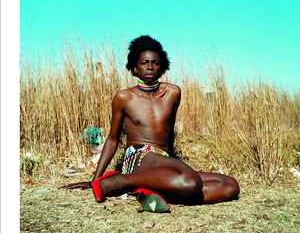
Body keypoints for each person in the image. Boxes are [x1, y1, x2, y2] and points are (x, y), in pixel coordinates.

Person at [62, 35, 240, 211]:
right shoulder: (124, 97)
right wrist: (96, 179)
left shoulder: (173, 93)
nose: (150, 66)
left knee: (229, 185)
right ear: (134, 67)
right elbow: (113, 139)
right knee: (191, 182)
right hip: (139, 157)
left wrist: (171, 162)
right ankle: (120, 181)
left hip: (162, 159)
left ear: (162, 67)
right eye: (144, 62)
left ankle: (148, 190)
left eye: (155, 62)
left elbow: (168, 133)